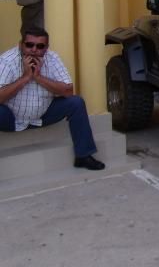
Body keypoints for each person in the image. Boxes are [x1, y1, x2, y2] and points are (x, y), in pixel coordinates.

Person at [0, 27, 105, 171]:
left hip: (43, 115)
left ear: (46, 48)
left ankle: (83, 156)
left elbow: (68, 91)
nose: (34, 50)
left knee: (76, 102)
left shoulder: (52, 58)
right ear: (21, 44)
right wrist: (26, 77)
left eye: (40, 46)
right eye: (29, 45)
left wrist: (38, 77)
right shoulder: (7, 61)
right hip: (11, 118)